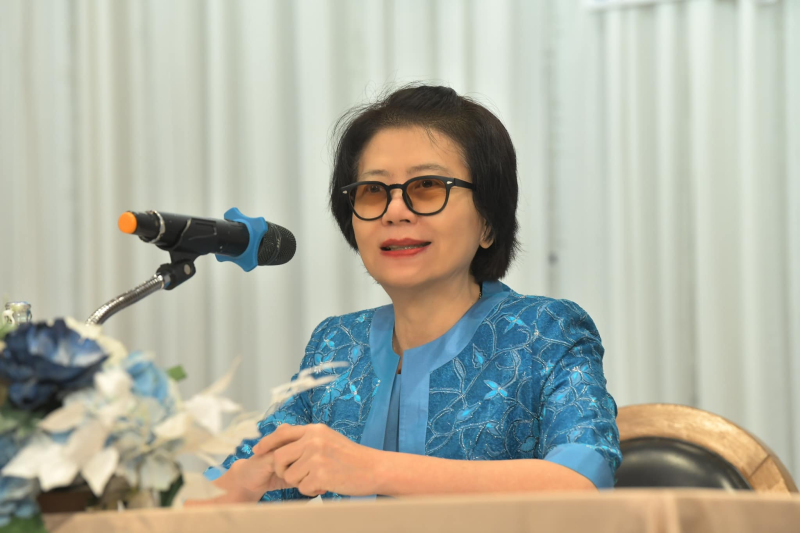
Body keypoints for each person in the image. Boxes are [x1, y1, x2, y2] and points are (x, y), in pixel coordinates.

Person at [195, 85, 621, 503]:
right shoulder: (337, 345)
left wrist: (374, 469)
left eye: (428, 186)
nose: (395, 211)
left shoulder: (543, 333)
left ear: (488, 223)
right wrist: (245, 482)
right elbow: (205, 501)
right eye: (372, 191)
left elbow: (582, 482)